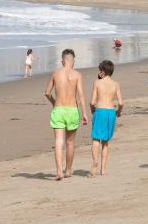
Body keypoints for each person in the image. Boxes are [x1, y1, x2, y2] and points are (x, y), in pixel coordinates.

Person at [44, 49, 89, 181]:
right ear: (70, 60)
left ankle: (59, 172)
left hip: (58, 109)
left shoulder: (56, 74)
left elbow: (47, 93)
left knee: (58, 142)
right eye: (73, 60)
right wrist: (85, 113)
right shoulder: (77, 75)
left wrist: (54, 102)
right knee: (70, 142)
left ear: (63, 60)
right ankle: (68, 170)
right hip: (72, 110)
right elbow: (80, 95)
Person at [89, 60, 123, 177]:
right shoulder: (116, 84)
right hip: (111, 112)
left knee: (96, 139)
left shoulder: (97, 83)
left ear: (102, 71)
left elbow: (92, 101)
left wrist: (92, 110)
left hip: (100, 111)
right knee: (105, 142)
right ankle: (103, 169)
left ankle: (95, 161)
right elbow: (121, 102)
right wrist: (118, 111)